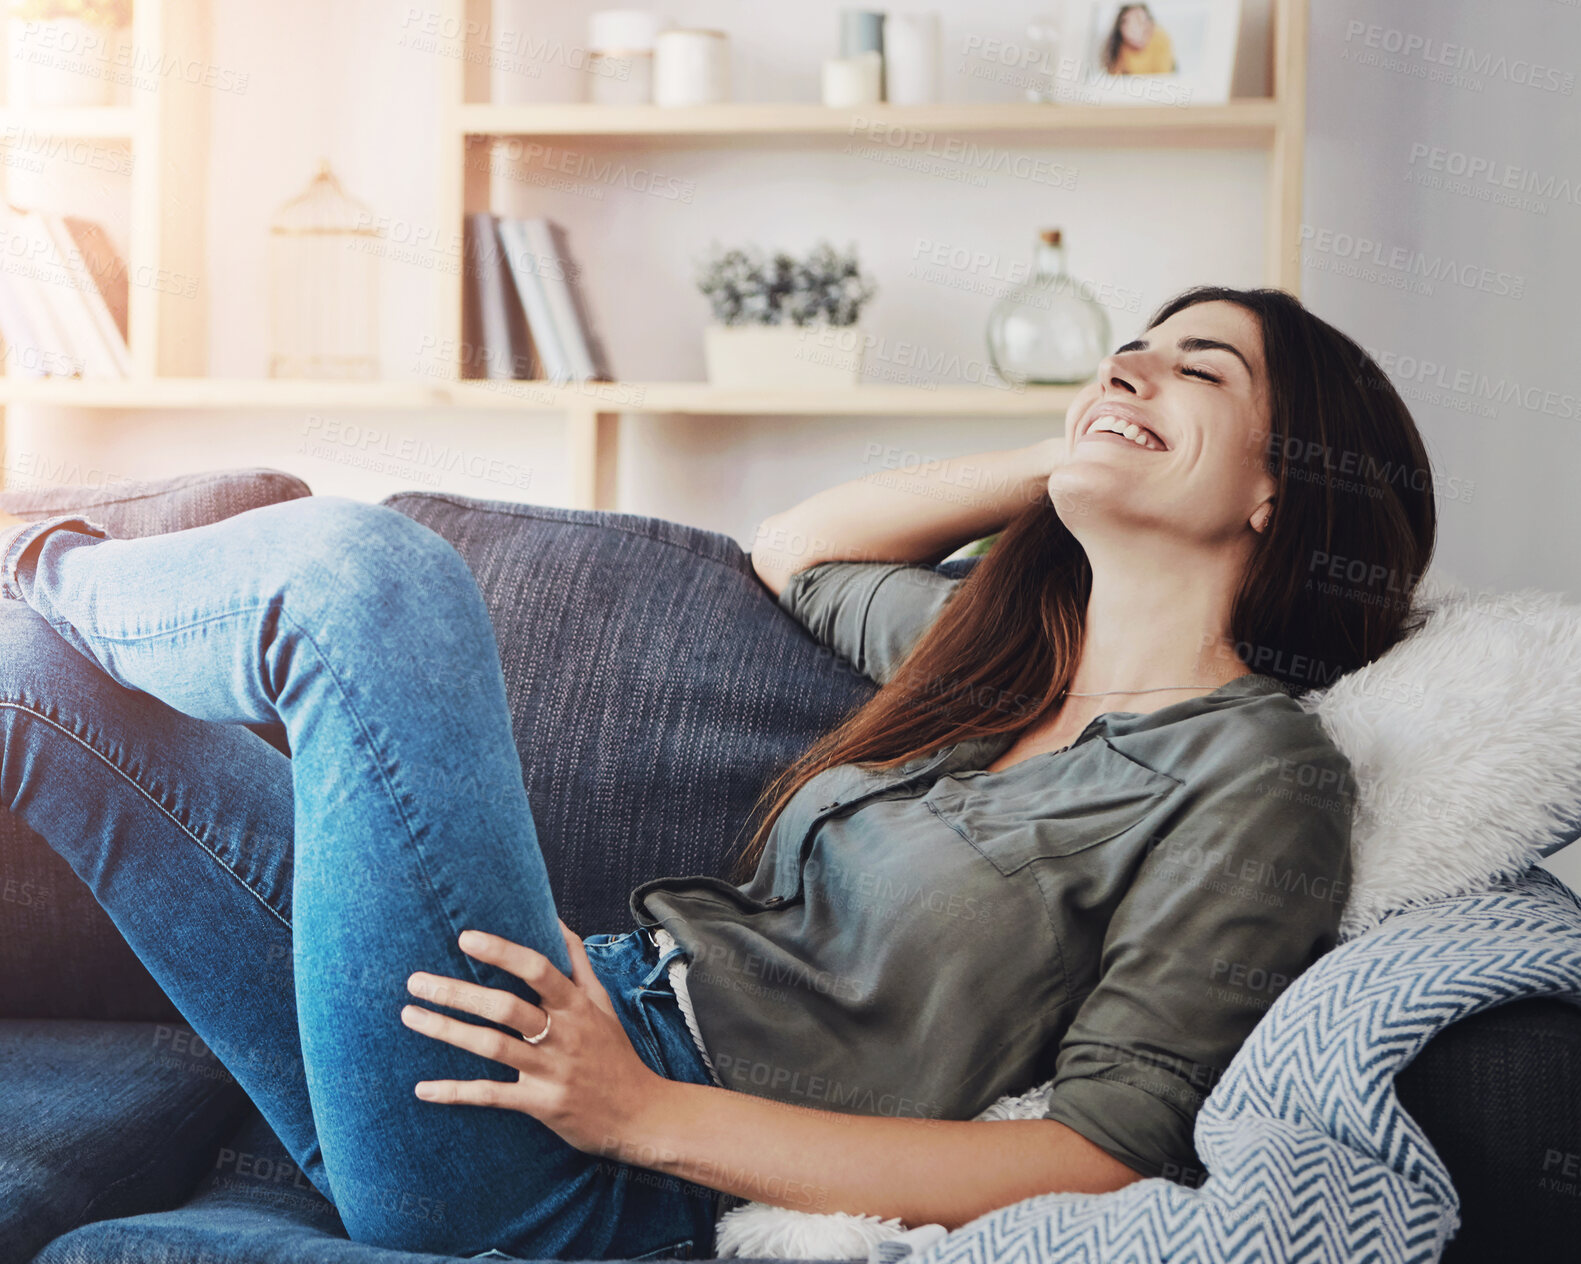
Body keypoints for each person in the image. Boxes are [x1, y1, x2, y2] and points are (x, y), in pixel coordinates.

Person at [0, 284, 1436, 1261]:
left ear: (1280, 484)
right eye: (1129, 348)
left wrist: (646, 1115)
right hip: (533, 1013)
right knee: (34, 687)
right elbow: (799, 549)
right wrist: (1078, 444)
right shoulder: (993, 655)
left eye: (1201, 371)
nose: (1135, 367)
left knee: (370, 580)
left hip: (587, 1151)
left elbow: (1095, 1153)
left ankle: (35, 550)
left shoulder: (1261, 774)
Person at [1105, 4, 1177, 75]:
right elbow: (1117, 79)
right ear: (1121, 28)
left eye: (1141, 21)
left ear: (1150, 23)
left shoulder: (1160, 38)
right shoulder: (1117, 47)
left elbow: (1164, 76)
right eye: (1131, 25)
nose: (1138, 30)